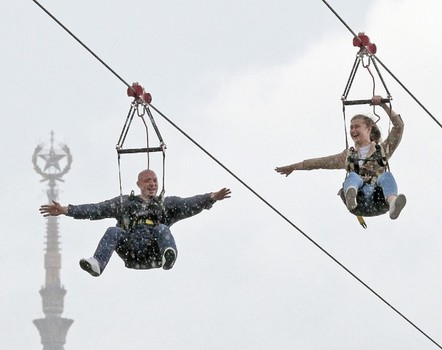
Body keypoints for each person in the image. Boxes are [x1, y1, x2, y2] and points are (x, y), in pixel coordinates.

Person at [40, 169, 231, 276]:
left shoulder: (165, 205)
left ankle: (168, 256)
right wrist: (67, 210)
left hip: (153, 251)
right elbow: (97, 209)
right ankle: (98, 263)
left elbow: (189, 204)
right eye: (147, 181)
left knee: (162, 228)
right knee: (113, 231)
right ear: (139, 184)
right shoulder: (125, 203)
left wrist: (212, 197)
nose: (152, 184)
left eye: (155, 181)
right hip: (132, 250)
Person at [275, 95, 406, 221]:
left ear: (369, 129)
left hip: (378, 200)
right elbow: (317, 163)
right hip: (359, 203)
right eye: (351, 127)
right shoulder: (348, 156)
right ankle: (351, 196)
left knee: (387, 176)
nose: (353, 130)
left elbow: (399, 127)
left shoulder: (383, 150)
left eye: (357, 126)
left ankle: (393, 203)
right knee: (353, 177)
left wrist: (383, 104)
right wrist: (292, 167)